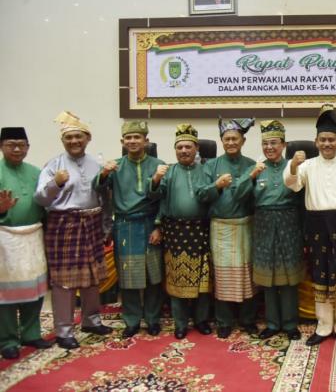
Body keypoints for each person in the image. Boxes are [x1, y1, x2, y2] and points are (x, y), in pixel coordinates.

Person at [284, 105, 336, 348]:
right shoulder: (307, 166)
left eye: (331, 140)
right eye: (323, 140)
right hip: (317, 228)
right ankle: (323, 327)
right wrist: (293, 165)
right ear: (316, 142)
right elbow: (292, 185)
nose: (327, 144)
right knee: (320, 278)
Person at [35, 112, 113, 349]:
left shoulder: (96, 164)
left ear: (88, 138)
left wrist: (106, 226)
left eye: (78, 137)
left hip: (92, 223)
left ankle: (91, 321)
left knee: (92, 276)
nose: (74, 141)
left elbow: (105, 198)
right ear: (63, 141)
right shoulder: (53, 165)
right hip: (64, 225)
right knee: (65, 281)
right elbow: (41, 199)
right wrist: (56, 182)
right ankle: (64, 331)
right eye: (69, 138)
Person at [94, 120, 165, 339]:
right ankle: (132, 321)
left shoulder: (159, 164)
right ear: (122, 142)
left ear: (146, 141)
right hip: (125, 226)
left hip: (150, 223)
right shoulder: (115, 166)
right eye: (128, 138)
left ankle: (153, 319)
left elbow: (164, 198)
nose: (133, 141)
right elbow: (97, 189)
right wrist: (104, 173)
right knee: (128, 276)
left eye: (137, 137)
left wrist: (159, 226)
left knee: (153, 275)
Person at [196, 117, 258, 339]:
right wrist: (217, 185)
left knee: (246, 274)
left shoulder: (252, 165)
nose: (231, 142)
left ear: (243, 141)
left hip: (246, 226)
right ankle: (224, 321)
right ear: (221, 141)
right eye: (227, 139)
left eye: (235, 139)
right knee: (223, 275)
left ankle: (248, 320)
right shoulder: (210, 166)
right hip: (220, 227)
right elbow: (201, 194)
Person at [150, 124, 212, 339]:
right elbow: (158, 199)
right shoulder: (169, 172)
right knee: (177, 280)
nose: (184, 151)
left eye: (188, 147)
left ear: (196, 148)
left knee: (203, 281)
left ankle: (201, 320)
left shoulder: (206, 170)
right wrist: (155, 179)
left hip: (202, 231)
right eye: (179, 147)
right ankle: (180, 323)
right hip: (175, 232)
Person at [0, 127, 52, 359]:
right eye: (11, 144)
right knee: (6, 292)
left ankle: (31, 333)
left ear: (28, 148)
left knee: (35, 288)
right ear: (1, 146)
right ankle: (7, 340)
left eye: (21, 145)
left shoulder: (36, 172)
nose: (17, 149)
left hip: (33, 236)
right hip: (5, 238)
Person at [250, 120, 304, 341]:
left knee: (289, 277)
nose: (269, 147)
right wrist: (251, 176)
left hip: (288, 223)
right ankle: (272, 323)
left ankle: (290, 324)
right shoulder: (257, 168)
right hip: (263, 224)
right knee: (268, 277)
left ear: (284, 145)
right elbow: (245, 197)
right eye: (265, 143)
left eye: (273, 143)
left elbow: (302, 198)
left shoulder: (294, 167)